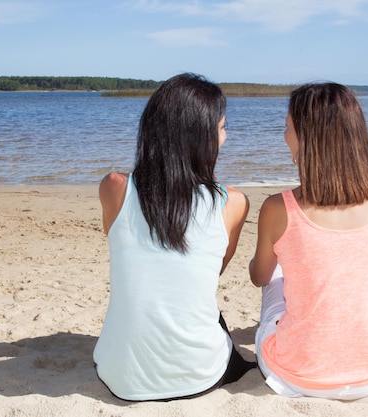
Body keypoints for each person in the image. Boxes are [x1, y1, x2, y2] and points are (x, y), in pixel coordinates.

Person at [93, 73, 256, 401]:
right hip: (200, 376)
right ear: (201, 136)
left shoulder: (115, 188)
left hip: (119, 376)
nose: (226, 138)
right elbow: (210, 273)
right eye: (222, 128)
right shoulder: (232, 203)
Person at [249, 82, 368, 400]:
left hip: (299, 377)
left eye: (288, 128)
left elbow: (259, 277)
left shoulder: (278, 207)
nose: (284, 137)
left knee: (276, 279)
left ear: (308, 138)